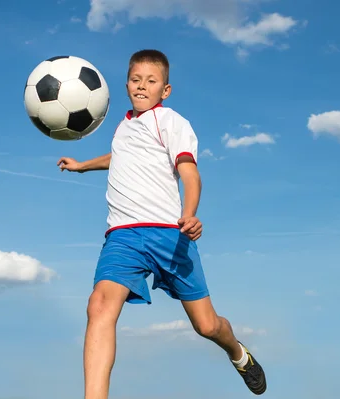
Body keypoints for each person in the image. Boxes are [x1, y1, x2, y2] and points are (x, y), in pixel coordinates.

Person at [57, 49, 266, 399]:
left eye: (151, 81)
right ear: (126, 85)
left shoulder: (173, 123)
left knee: (207, 325)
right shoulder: (123, 127)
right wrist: (82, 166)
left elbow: (190, 172)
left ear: (165, 90)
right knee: (99, 306)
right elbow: (121, 156)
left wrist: (191, 212)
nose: (142, 86)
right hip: (122, 235)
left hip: (170, 235)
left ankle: (238, 353)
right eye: (136, 80)